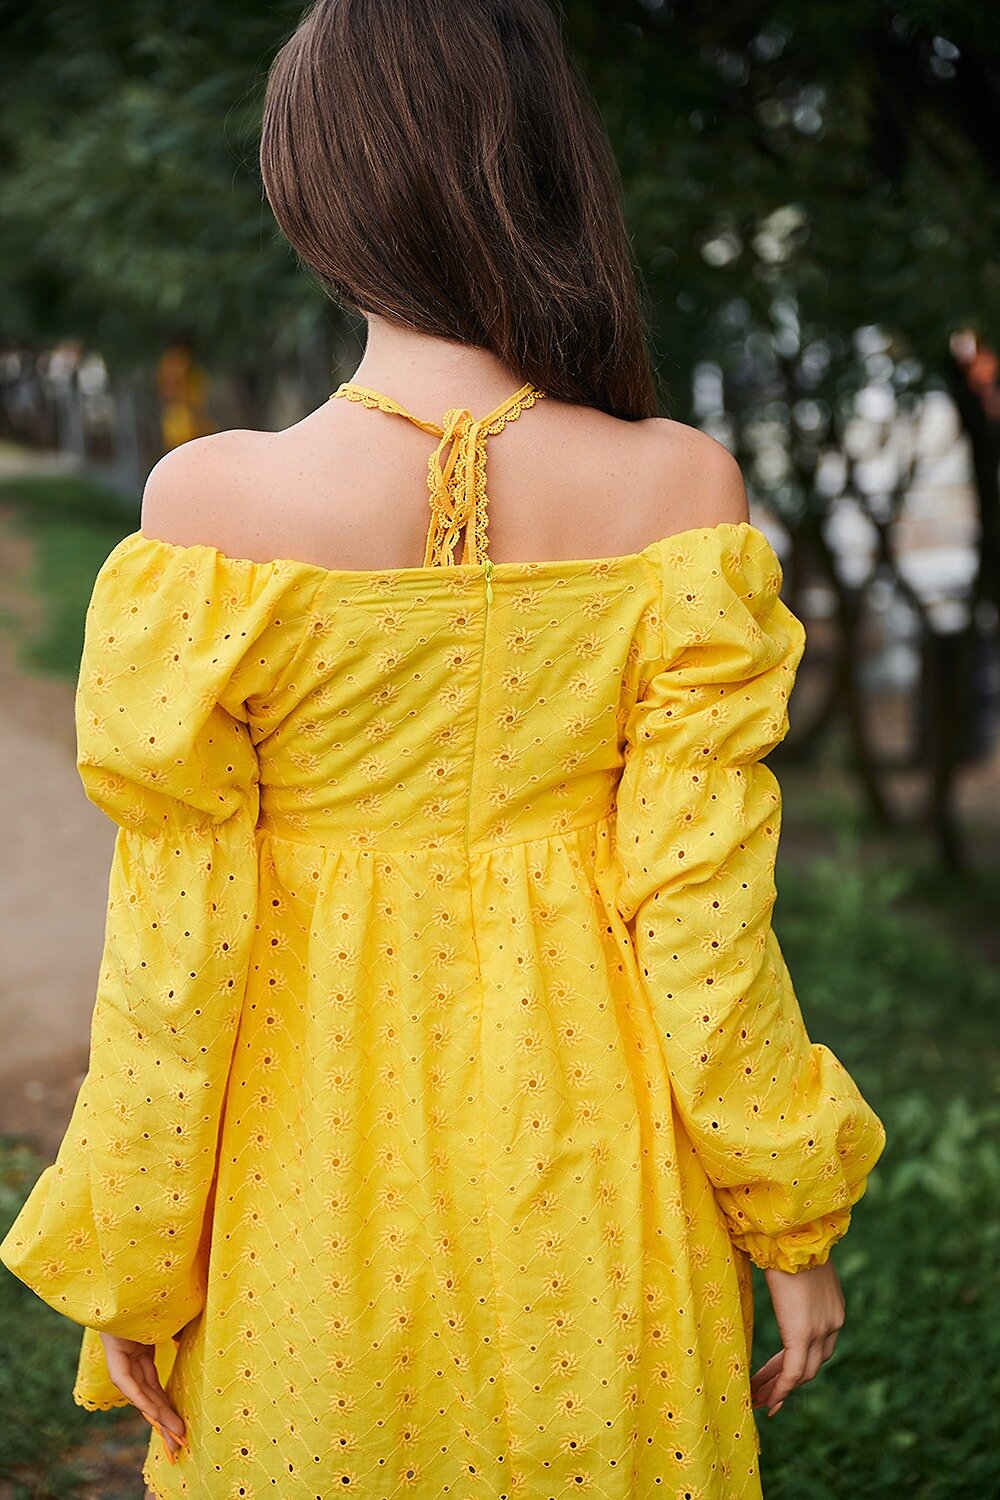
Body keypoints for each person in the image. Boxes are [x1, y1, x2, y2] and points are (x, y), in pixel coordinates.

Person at [0, 1, 886, 1496]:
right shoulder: (679, 490)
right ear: (543, 164)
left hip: (302, 1172)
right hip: (603, 1176)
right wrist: (788, 1222)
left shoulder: (211, 508)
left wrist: (137, 1257)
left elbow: (175, 952)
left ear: (313, 186)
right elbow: (703, 917)